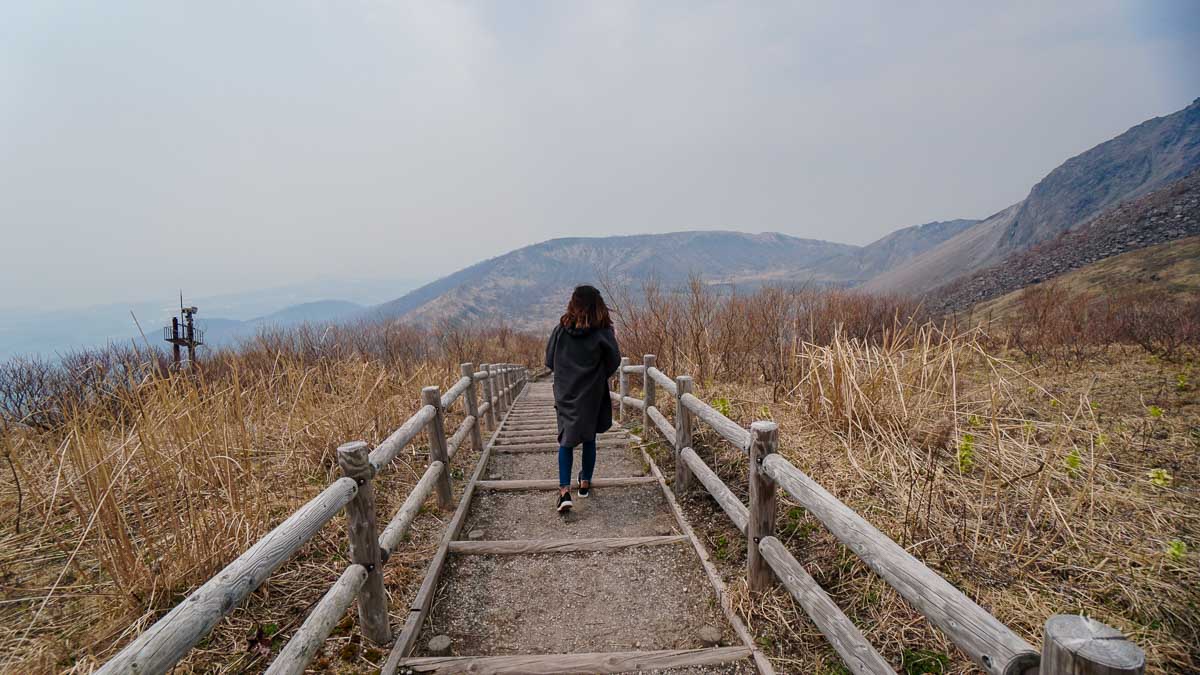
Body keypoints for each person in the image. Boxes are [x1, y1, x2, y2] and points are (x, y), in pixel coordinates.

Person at [544, 285, 621, 513]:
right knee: (589, 437)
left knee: (566, 440)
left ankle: (564, 492)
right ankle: (585, 482)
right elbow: (613, 361)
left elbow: (549, 360)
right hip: (592, 392)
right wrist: (596, 374)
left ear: (574, 304)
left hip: (566, 392)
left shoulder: (561, 329)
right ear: (597, 304)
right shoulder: (603, 332)